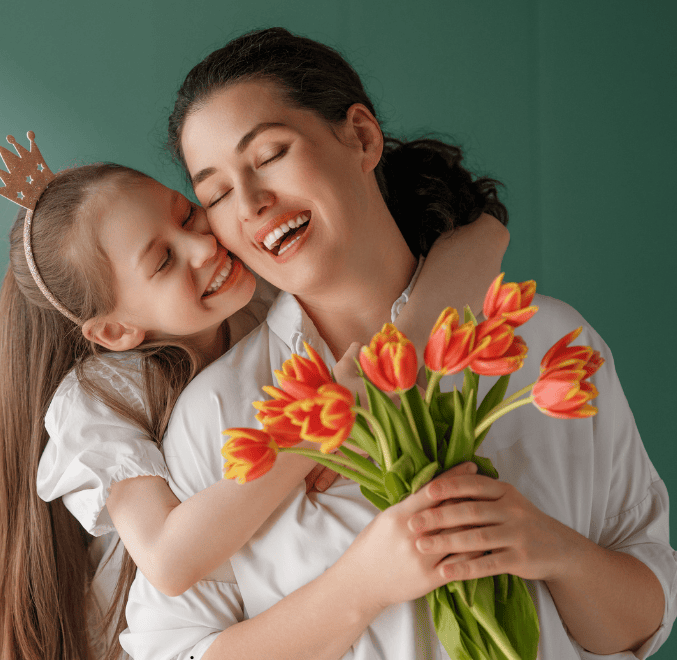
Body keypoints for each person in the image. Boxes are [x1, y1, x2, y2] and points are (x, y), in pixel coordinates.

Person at [121, 28, 674, 660]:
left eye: (269, 154)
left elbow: (641, 622)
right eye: (216, 194)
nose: (249, 204)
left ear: (360, 137)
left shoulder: (548, 341)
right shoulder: (219, 414)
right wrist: (361, 586)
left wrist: (552, 548)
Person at [0, 130, 510, 660]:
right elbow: (169, 561)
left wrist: (393, 365)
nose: (201, 246)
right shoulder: (101, 398)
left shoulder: (261, 292)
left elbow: (484, 235)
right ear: (116, 331)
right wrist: (315, 426)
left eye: (186, 214)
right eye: (163, 260)